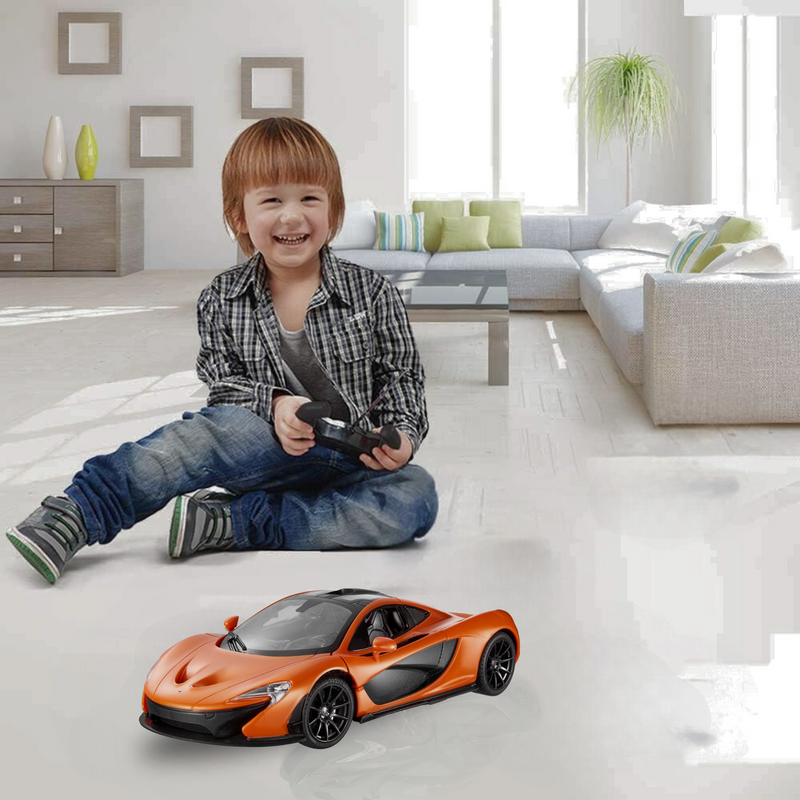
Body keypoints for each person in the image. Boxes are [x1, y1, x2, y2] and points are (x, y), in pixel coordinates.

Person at [5, 117, 438, 585]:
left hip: (351, 463)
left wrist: (403, 436)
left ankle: (232, 523)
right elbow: (223, 383)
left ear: (333, 211)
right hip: (265, 451)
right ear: (239, 218)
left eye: (309, 198)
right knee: (203, 435)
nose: (292, 216)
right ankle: (80, 510)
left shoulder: (372, 291)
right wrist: (275, 406)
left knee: (416, 497)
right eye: (272, 200)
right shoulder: (222, 296)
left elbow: (403, 378)